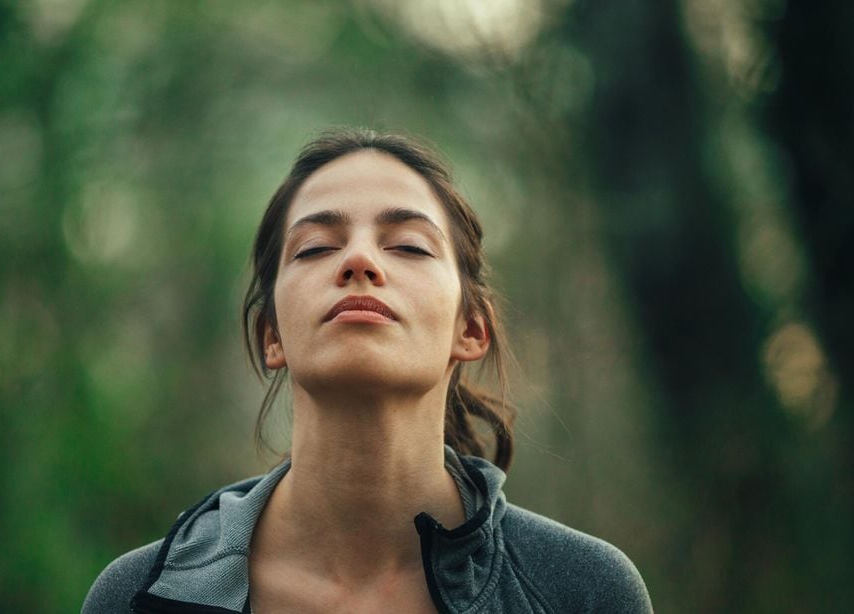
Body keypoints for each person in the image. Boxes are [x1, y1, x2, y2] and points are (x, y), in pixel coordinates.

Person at [82, 129, 653, 613]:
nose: (359, 260)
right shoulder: (136, 596)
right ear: (272, 335)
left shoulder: (584, 590)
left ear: (471, 329)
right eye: (313, 248)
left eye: (407, 245)